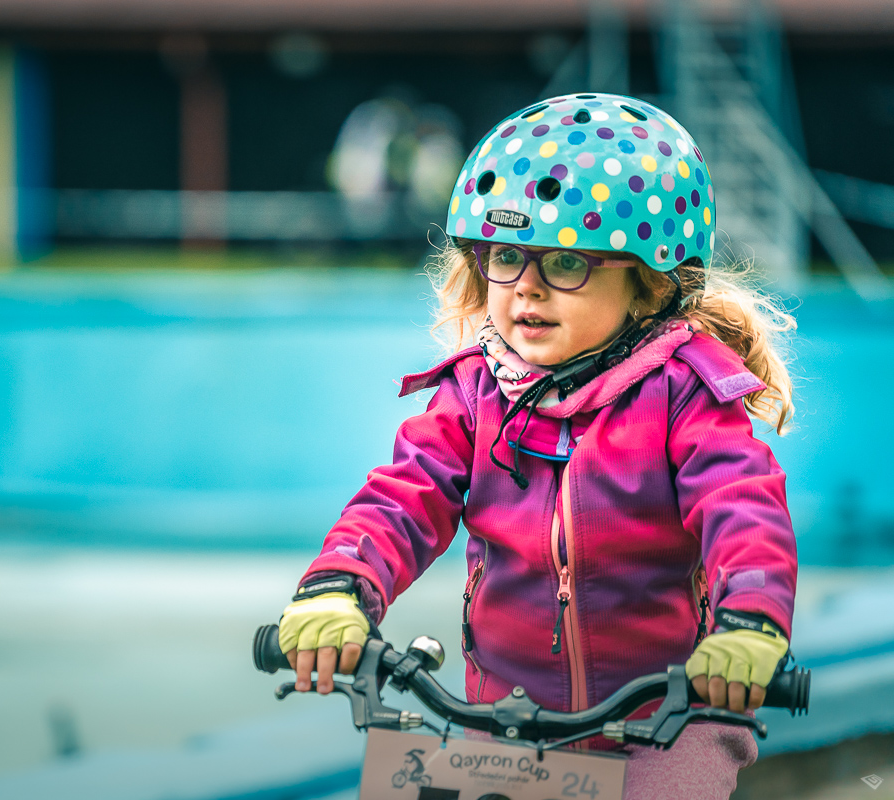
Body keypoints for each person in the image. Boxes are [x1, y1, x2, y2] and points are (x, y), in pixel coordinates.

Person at [276, 92, 798, 799]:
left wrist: (749, 625)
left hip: (667, 719)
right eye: (506, 257)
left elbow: (743, 506)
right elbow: (404, 494)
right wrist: (339, 587)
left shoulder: (685, 393)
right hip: (503, 720)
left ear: (648, 287)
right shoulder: (475, 392)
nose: (526, 288)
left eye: (565, 263)